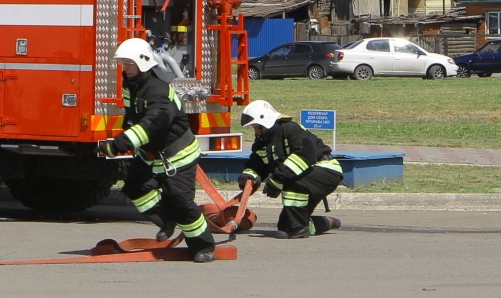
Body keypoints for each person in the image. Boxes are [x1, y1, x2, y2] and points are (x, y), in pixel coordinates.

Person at [97, 36, 217, 263]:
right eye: (122, 63)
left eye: (128, 63)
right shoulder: (132, 84)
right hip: (151, 155)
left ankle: (204, 246)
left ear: (142, 62)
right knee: (135, 188)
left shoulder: (158, 91)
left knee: (181, 203)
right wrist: (124, 135)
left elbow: (153, 123)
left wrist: (120, 143)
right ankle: (166, 220)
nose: (125, 68)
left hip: (177, 156)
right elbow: (133, 117)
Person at [239, 98, 343, 238]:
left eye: (258, 127)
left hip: (326, 169)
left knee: (292, 184)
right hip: (304, 176)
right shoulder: (263, 143)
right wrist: (249, 176)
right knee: (286, 226)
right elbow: (257, 163)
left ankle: (298, 228)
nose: (256, 132)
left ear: (267, 121)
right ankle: (320, 223)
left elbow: (304, 156)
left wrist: (277, 180)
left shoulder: (290, 129)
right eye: (254, 128)